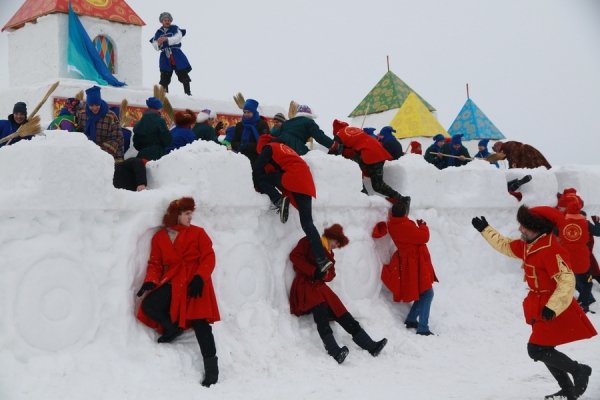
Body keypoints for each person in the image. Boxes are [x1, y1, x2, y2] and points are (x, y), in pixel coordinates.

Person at [471, 206, 596, 400]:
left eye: (525, 226)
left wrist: (553, 307)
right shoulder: (530, 244)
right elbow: (505, 245)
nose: (521, 230)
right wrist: (485, 229)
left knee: (537, 349)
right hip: (539, 305)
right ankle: (568, 390)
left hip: (553, 305)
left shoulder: (552, 250)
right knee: (544, 348)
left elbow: (567, 280)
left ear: (539, 228)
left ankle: (579, 370)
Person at [136, 197, 220, 387]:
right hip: (175, 280)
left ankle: (212, 372)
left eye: (191, 213)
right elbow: (155, 263)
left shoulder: (199, 233)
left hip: (196, 282)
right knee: (149, 305)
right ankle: (173, 327)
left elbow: (209, 256)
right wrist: (150, 280)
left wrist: (200, 277)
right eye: (187, 213)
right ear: (176, 215)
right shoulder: (159, 238)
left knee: (201, 324)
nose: (191, 217)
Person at [289, 224, 387, 364]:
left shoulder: (330, 254)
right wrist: (313, 271)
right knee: (321, 315)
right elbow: (295, 256)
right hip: (305, 285)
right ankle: (334, 351)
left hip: (320, 288)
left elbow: (331, 275)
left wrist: (324, 274)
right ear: (330, 237)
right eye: (336, 242)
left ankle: (371, 345)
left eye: (338, 244)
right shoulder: (310, 241)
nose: (336, 246)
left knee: (342, 312)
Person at [253, 134, 333, 274]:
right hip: (306, 183)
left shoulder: (268, 147)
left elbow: (257, 169)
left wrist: (256, 187)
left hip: (292, 177)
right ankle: (322, 259)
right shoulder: (286, 149)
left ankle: (278, 200)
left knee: (261, 178)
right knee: (308, 224)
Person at [381, 198, 438, 336]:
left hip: (409, 263)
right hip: (415, 263)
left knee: (423, 293)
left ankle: (411, 320)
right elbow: (424, 237)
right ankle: (423, 328)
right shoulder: (405, 225)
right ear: (405, 214)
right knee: (427, 293)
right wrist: (423, 225)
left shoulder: (394, 225)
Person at [331, 121, 409, 203]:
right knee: (377, 185)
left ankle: (365, 199)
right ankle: (400, 198)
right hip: (378, 151)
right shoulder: (352, 130)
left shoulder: (339, 136)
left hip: (371, 155)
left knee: (373, 183)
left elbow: (334, 152)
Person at [76, 86, 124, 161]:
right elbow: (78, 133)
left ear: (100, 102)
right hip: (87, 152)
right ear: (88, 104)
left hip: (108, 154)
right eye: (91, 105)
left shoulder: (110, 116)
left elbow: (117, 138)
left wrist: (99, 150)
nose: (94, 108)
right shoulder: (82, 114)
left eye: (97, 105)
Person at [151, 12, 192, 95]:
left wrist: (167, 39)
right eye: (165, 20)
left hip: (176, 54)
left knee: (183, 74)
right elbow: (155, 45)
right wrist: (158, 43)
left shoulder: (175, 28)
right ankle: (164, 95)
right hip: (165, 57)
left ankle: (188, 93)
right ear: (161, 21)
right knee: (164, 77)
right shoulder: (158, 32)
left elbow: (178, 38)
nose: (167, 21)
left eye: (169, 20)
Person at [231, 99, 270, 164]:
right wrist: (240, 146)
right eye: (244, 112)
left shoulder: (262, 124)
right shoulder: (240, 125)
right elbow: (233, 142)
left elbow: (265, 143)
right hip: (241, 158)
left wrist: (248, 146)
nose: (246, 114)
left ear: (254, 112)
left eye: (248, 112)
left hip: (256, 159)